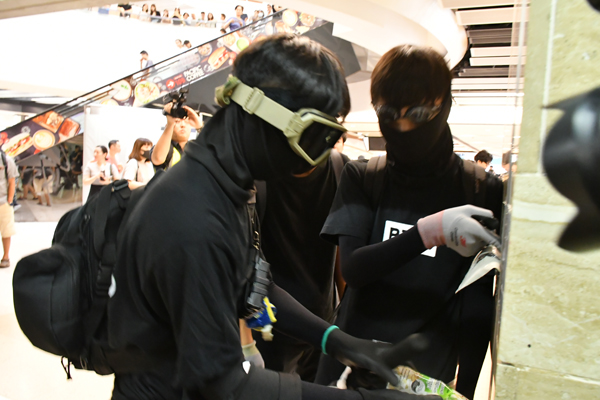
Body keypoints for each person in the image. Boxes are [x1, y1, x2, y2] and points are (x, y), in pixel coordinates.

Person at [108, 34, 431, 400]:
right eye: (312, 138)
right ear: (260, 110)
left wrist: (338, 341)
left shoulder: (227, 187)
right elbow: (222, 384)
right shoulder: (192, 215)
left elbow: (254, 284)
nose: (315, 161)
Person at [314, 45, 504, 400]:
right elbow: (354, 269)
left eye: (417, 113)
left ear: (444, 106)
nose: (402, 127)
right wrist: (429, 233)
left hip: (424, 376)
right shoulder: (364, 177)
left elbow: (477, 303)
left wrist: (466, 390)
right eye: (388, 114)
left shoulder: (481, 189)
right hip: (349, 365)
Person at [253, 148, 349, 382]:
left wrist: (344, 316)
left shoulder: (340, 167)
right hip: (272, 326)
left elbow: (341, 246)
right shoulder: (257, 176)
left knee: (318, 389)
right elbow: (244, 265)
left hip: (323, 322)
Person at [150, 102, 201, 171]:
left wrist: (200, 127)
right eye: (177, 121)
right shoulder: (166, 148)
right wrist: (170, 124)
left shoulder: (194, 147)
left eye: (186, 122)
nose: (183, 125)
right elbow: (158, 159)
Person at [0, 151, 17, 268]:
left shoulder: (6, 160)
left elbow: (12, 181)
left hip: (3, 202)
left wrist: (9, 200)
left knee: (6, 231)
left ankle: (5, 257)